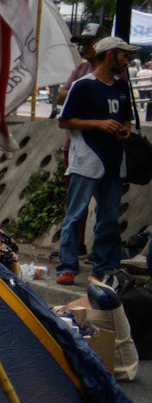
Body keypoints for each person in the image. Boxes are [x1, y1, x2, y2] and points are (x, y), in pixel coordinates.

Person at [57, 36, 137, 287]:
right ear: (110, 55)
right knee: (76, 214)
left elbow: (127, 118)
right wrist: (98, 124)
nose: (127, 61)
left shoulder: (122, 88)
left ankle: (104, 266)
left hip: (114, 160)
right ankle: (68, 266)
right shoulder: (83, 86)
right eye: (123, 55)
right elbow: (65, 121)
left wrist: (124, 129)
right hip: (86, 159)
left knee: (109, 217)